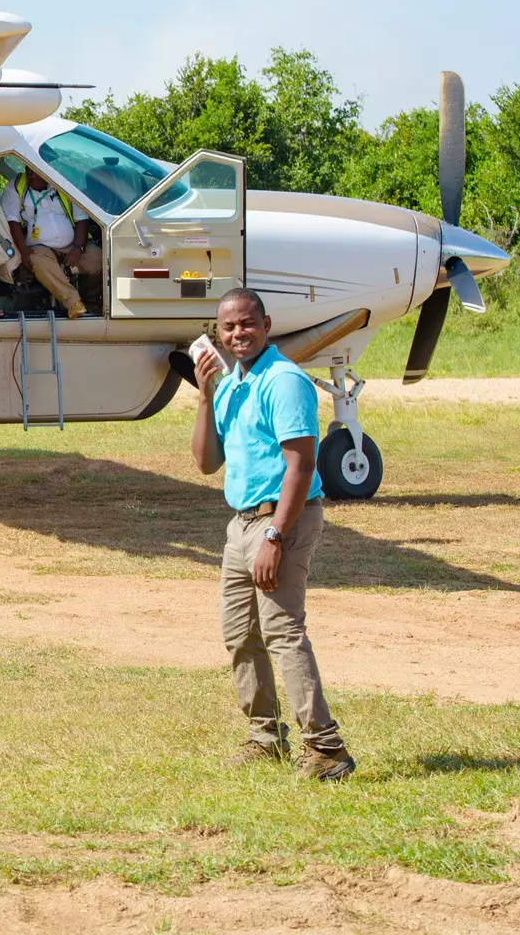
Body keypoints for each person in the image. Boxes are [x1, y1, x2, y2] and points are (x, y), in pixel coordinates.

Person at [191, 287, 356, 782]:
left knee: (282, 631)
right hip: (241, 521)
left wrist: (276, 537)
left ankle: (326, 748)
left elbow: (301, 465)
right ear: (216, 334)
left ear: (267, 323)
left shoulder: (284, 381)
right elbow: (205, 463)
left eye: (247, 323)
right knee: (239, 634)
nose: (238, 334)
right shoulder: (230, 385)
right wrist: (203, 396)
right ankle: (265, 737)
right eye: (228, 327)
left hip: (280, 519)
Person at [0, 168, 101, 320]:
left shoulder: (65, 184)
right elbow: (13, 222)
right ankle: (73, 303)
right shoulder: (15, 186)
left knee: (99, 260)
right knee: (37, 260)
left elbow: (81, 218)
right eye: (28, 171)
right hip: (39, 247)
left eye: (35, 172)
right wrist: (23, 251)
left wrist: (77, 248)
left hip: (72, 244)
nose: (30, 176)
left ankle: (92, 303)